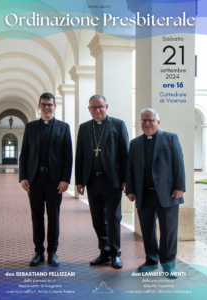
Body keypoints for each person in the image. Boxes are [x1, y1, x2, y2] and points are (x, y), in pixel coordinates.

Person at [126, 108, 185, 279]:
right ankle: (151, 261)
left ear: (157, 122)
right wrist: (130, 189)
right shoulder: (135, 143)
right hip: (144, 194)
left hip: (168, 194)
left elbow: (178, 164)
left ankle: (168, 265)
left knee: (168, 231)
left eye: (150, 120)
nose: (147, 123)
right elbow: (130, 168)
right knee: (147, 230)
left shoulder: (170, 138)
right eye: (143, 121)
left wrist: (180, 187)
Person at [75, 94, 129, 269]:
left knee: (113, 218)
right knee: (98, 219)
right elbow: (80, 156)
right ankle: (104, 251)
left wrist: (126, 179)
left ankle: (115, 253)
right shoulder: (84, 128)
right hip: (92, 181)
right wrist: (79, 181)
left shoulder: (118, 125)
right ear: (89, 109)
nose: (97, 110)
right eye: (93, 107)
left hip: (112, 180)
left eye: (100, 107)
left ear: (106, 107)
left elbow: (125, 153)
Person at [19, 92, 72, 267]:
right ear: (39, 107)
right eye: (44, 104)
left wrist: (65, 179)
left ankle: (52, 252)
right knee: (37, 216)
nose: (47, 107)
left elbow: (68, 156)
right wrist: (23, 177)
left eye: (50, 104)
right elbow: (24, 154)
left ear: (54, 107)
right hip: (34, 179)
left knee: (54, 216)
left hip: (54, 180)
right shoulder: (31, 127)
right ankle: (38, 252)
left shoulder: (63, 127)